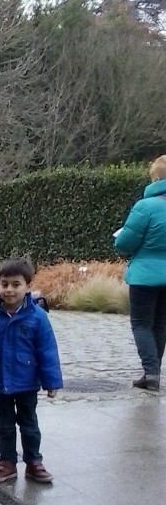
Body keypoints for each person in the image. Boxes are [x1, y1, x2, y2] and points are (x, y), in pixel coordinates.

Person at [0, 257, 63, 484]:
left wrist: (51, 382)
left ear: (28, 286)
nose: (9, 290)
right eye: (5, 284)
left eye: (16, 284)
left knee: (29, 424)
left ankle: (34, 462)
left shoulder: (38, 317)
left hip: (27, 383)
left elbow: (47, 351)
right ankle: (7, 462)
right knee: (5, 425)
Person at [113, 154, 166, 392]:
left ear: (155, 177)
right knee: (160, 325)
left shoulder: (145, 207)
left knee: (142, 324)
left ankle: (151, 373)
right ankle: (152, 372)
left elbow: (124, 243)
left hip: (145, 275)